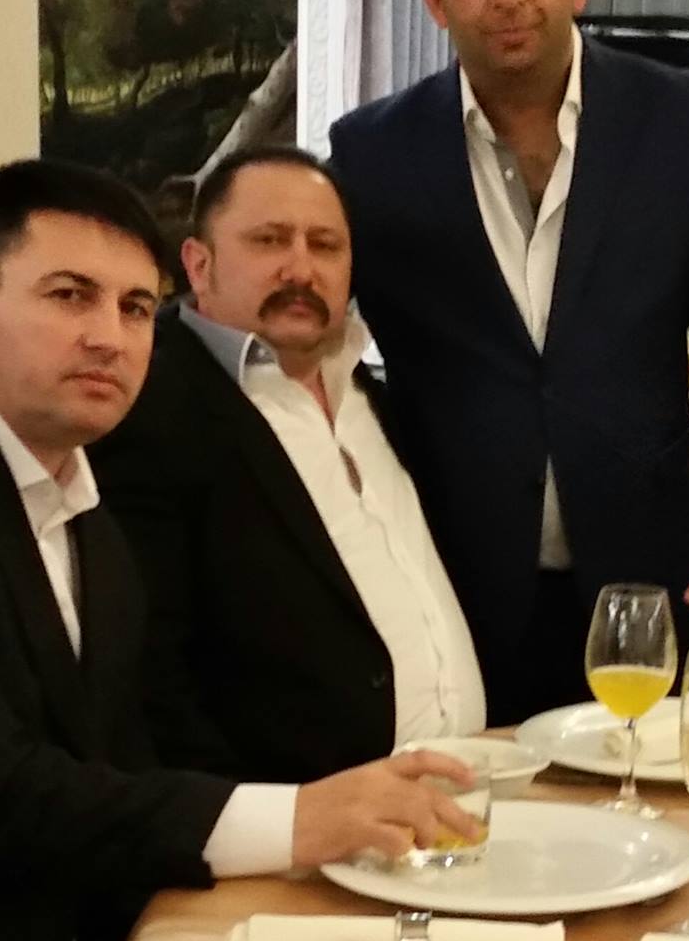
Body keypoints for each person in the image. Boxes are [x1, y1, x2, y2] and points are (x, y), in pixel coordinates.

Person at [0, 160, 480, 941]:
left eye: (136, 307)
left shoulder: (81, 495)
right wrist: (296, 819)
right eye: (69, 295)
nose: (109, 337)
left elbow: (120, 765)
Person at [328, 0, 689, 726]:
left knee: (652, 797)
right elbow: (321, 347)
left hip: (649, 580)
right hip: (453, 588)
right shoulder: (373, 154)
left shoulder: (684, 124)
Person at [90, 147, 484, 785]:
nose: (301, 268)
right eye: (269, 240)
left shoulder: (372, 395)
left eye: (325, 245)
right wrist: (266, 824)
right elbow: (148, 671)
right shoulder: (148, 410)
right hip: (307, 824)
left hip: (469, 789)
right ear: (199, 264)